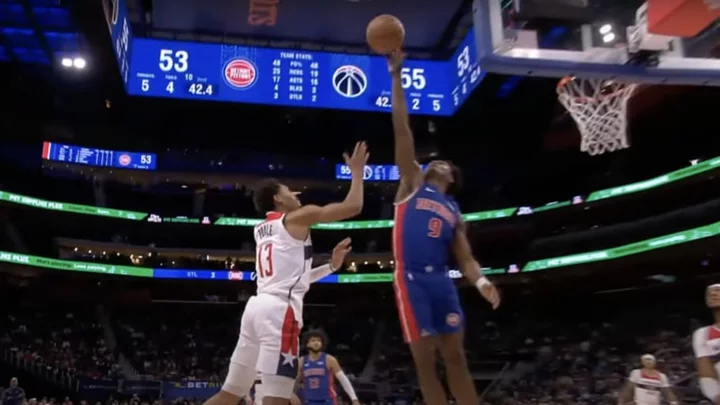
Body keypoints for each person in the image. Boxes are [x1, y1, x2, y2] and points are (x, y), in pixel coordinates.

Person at [202, 142, 369, 405]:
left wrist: (331, 266)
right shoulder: (297, 218)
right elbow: (353, 206)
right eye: (288, 190)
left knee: (228, 394)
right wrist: (358, 173)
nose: (295, 193)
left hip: (256, 308)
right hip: (280, 313)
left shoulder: (261, 230)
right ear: (278, 198)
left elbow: (293, 278)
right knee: (276, 398)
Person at [386, 50, 501, 405]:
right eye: (435, 160)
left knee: (456, 358)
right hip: (412, 279)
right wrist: (396, 76)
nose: (438, 161)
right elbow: (402, 128)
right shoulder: (411, 184)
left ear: (451, 177)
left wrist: (481, 282)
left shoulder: (454, 209)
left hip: (442, 281)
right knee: (426, 364)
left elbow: (465, 258)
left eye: (445, 163)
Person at [296, 330, 359, 405]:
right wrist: (291, 394)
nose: (316, 343)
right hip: (308, 401)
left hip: (327, 401)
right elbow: (294, 381)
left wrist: (354, 399)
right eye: (313, 340)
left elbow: (343, 380)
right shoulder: (302, 361)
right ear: (307, 344)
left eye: (319, 341)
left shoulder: (329, 359)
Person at [693, 284, 720, 404]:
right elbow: (705, 373)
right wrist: (715, 395)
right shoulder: (702, 334)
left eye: (718, 291)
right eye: (709, 293)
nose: (713, 294)